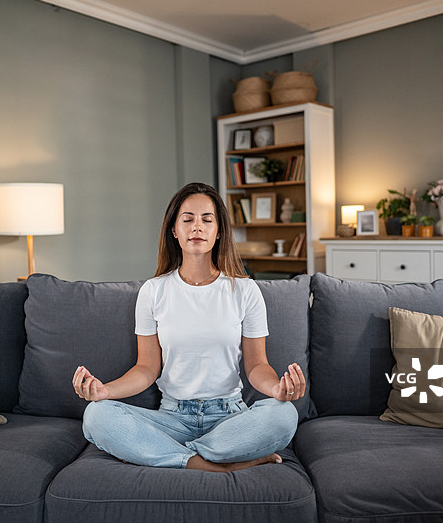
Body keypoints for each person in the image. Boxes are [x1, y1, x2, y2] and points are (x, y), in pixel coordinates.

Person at [72, 182, 305, 472]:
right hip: (172, 418)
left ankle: (166, 454)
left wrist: (277, 390)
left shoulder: (245, 291)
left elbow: (257, 366)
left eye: (207, 220)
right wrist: (105, 391)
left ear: (219, 231)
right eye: (188, 219)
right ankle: (218, 464)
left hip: (230, 418)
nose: (197, 227)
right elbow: (146, 368)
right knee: (96, 415)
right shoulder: (153, 291)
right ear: (174, 230)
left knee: (283, 416)